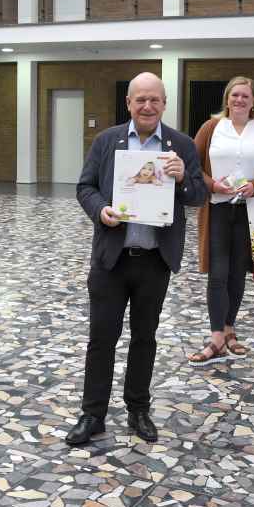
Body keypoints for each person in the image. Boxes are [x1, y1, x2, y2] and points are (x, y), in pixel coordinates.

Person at [67, 72, 205, 445]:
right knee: (101, 338)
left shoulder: (182, 145)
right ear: (128, 103)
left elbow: (199, 195)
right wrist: (100, 211)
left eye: (154, 100)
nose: (147, 106)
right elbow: (85, 187)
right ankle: (92, 414)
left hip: (154, 260)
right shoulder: (107, 141)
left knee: (145, 337)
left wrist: (182, 180)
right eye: (140, 99)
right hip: (111, 259)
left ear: (164, 103)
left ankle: (138, 410)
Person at [189, 76, 254, 365]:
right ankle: (217, 337)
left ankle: (230, 329)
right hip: (218, 209)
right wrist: (212, 184)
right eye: (235, 95)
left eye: (245, 96)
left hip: (251, 212)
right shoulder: (211, 127)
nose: (240, 100)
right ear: (227, 99)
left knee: (237, 273)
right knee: (218, 273)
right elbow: (193, 166)